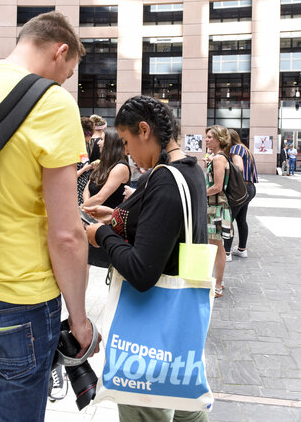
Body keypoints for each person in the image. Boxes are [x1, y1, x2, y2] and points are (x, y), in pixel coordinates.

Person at [0, 11, 99, 422]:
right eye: (67, 73)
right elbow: (66, 233)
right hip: (20, 300)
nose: (64, 82)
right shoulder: (53, 103)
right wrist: (80, 321)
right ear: (60, 51)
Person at [85, 95, 208, 422]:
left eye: (126, 142)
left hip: (150, 332)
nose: (127, 153)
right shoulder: (190, 171)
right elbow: (168, 228)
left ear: (144, 130)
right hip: (181, 321)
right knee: (187, 410)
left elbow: (141, 272)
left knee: (145, 409)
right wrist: (116, 214)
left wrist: (101, 234)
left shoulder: (166, 180)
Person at [83, 128, 130, 268]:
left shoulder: (120, 167)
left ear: (111, 143)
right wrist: (87, 206)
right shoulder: (102, 164)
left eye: (102, 139)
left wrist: (81, 209)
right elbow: (88, 187)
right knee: (85, 264)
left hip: (109, 225)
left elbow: (100, 197)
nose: (98, 142)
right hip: (92, 220)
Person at [205, 125, 233, 298]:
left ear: (219, 139)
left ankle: (217, 285)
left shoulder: (218, 159)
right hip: (216, 207)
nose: (206, 139)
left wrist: (199, 192)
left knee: (217, 246)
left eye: (209, 137)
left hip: (216, 208)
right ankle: (217, 283)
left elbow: (217, 187)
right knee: (216, 245)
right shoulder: (218, 158)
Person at [223, 129, 258, 260]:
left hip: (240, 189)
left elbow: (239, 167)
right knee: (241, 219)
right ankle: (241, 249)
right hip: (249, 188)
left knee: (229, 219)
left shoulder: (235, 149)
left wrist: (224, 167)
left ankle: (226, 253)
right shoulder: (244, 148)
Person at [77, 117, 95, 205]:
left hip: (82, 188)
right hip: (76, 189)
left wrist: (90, 166)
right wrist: (85, 169)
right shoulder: (74, 148)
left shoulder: (83, 147)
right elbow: (72, 175)